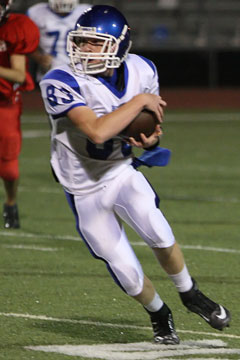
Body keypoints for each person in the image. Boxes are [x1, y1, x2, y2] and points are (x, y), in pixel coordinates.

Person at [39, 5, 231, 344]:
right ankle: (160, 314)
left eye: (94, 44)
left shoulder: (142, 70)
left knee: (157, 228)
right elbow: (97, 132)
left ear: (118, 46)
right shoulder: (60, 80)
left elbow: (150, 125)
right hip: (84, 189)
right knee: (126, 272)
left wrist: (152, 137)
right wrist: (140, 101)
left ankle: (190, 294)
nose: (84, 50)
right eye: (81, 42)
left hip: (120, 171)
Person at [0, 0, 40, 229]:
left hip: (5, 104)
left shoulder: (15, 27)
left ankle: (10, 202)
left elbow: (19, 75)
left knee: (8, 169)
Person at [27, 0, 91, 82]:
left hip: (81, 74)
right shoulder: (36, 12)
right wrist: (39, 58)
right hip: (48, 74)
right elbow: (25, 44)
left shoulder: (87, 12)